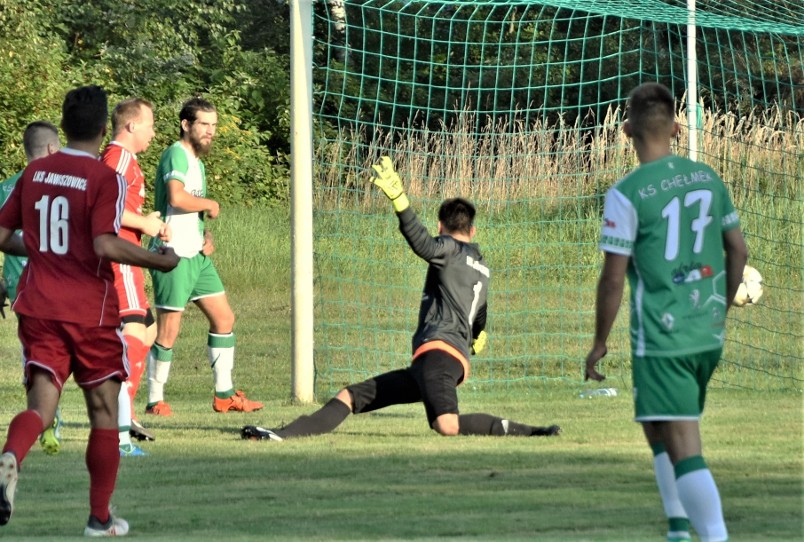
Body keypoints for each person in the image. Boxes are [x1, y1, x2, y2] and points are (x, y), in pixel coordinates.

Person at [242, 157, 560, 441]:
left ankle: (531, 432)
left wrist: (400, 200)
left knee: (446, 425)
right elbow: (480, 315)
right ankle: (281, 434)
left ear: (441, 226)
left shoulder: (448, 249)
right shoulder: (483, 267)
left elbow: (423, 245)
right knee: (350, 396)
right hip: (435, 361)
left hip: (439, 355)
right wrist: (475, 337)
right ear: (473, 231)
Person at [0, 85, 179, 537]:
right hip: (88, 311)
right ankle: (99, 518)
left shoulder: (35, 174)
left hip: (37, 306)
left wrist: (37, 248)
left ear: (66, 124)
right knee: (104, 413)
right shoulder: (103, 178)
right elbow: (104, 244)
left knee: (41, 404)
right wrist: (160, 260)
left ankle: (13, 455)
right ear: (99, 128)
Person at [583, 83, 747, 542]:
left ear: (626, 130)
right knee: (656, 425)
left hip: (663, 338)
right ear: (677, 128)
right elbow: (738, 250)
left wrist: (599, 342)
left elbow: (613, 278)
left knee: (682, 442)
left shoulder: (626, 193)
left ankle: (714, 536)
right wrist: (722, 307)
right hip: (706, 333)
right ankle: (678, 529)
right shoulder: (708, 178)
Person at [146, 97, 262, 416]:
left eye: (213, 125)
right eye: (204, 124)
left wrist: (204, 237)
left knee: (224, 318)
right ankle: (155, 399)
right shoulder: (176, 153)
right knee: (168, 330)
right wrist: (209, 204)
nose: (210, 131)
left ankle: (224, 394)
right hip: (172, 256)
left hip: (195, 255)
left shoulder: (197, 163)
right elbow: (176, 197)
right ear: (186, 125)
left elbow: (188, 211)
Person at [0, 121, 64, 456]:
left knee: (37, 357)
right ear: (53, 149)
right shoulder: (64, 184)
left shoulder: (5, 188)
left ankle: (43, 420)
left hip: (22, 289)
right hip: (60, 283)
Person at [101, 98, 170, 456]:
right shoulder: (119, 158)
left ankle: (123, 412)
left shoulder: (123, 160)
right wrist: (145, 223)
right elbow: (105, 207)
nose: (153, 132)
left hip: (129, 255)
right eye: (150, 124)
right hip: (120, 257)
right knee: (132, 332)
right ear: (130, 126)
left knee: (147, 328)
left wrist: (147, 224)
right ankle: (119, 423)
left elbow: (119, 207)